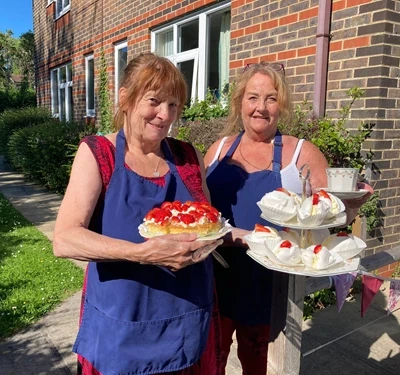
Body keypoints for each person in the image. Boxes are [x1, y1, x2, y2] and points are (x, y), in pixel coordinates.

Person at [53, 53, 223, 375]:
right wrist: (142, 254)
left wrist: (249, 237)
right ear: (125, 99)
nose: (165, 115)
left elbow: (209, 226)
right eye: (154, 101)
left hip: (187, 319)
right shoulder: (98, 153)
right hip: (123, 326)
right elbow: (65, 239)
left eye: (173, 105)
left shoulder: (188, 156)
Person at [204, 61, 373, 374]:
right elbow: (201, 212)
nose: (261, 108)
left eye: (271, 98)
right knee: (210, 360)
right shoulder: (217, 150)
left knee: (256, 363)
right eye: (253, 97)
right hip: (215, 276)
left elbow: (332, 215)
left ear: (281, 105)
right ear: (239, 101)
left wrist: (353, 205)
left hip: (267, 283)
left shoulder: (302, 154)